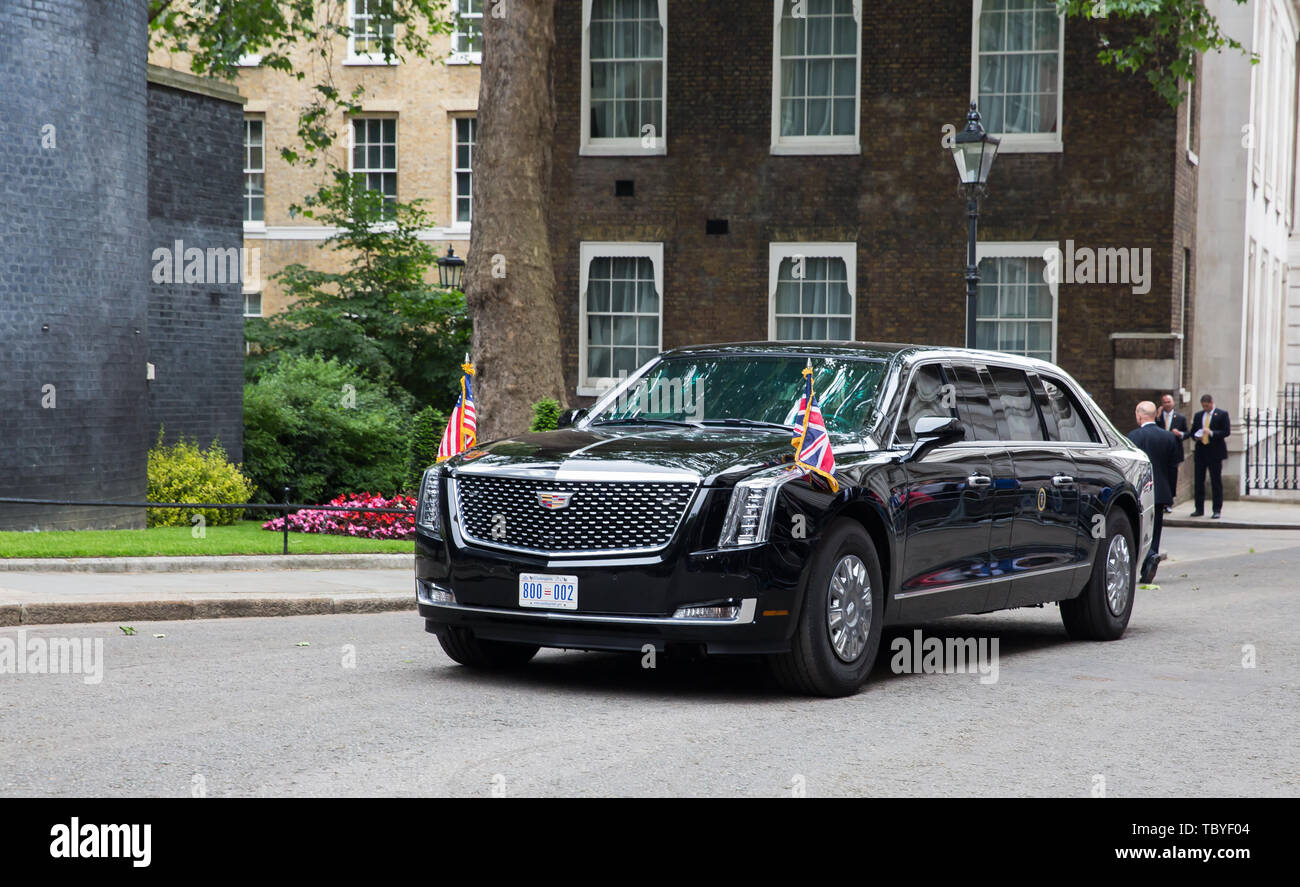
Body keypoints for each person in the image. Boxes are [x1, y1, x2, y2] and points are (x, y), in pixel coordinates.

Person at [1129, 401, 1180, 581]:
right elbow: (1173, 467)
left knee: (1137, 528)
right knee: (1155, 529)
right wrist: (1171, 493)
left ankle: (1140, 561)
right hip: (1160, 492)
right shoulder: (1168, 437)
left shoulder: (1133, 437)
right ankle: (1151, 559)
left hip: (1140, 491)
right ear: (1155, 415)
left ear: (1139, 415)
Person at [1190, 393, 1231, 519]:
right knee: (1198, 481)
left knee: (1216, 482)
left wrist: (1212, 433)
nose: (1205, 408)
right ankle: (1199, 508)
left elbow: (1226, 432)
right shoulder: (1198, 415)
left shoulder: (1222, 414)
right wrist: (1196, 436)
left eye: (1207, 406)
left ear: (1212, 403)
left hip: (1215, 453)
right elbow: (1192, 432)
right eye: (1203, 406)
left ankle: (1217, 509)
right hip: (1201, 452)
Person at [1157, 393, 1188, 513]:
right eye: (1164, 402)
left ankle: (1169, 502)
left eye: (1168, 402)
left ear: (1173, 403)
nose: (1167, 404)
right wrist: (1158, 417)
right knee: (1161, 477)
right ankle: (1161, 501)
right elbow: (1154, 428)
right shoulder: (1158, 417)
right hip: (1160, 452)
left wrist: (1180, 434)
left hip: (1174, 453)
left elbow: (1187, 433)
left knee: (1172, 477)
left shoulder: (1180, 418)